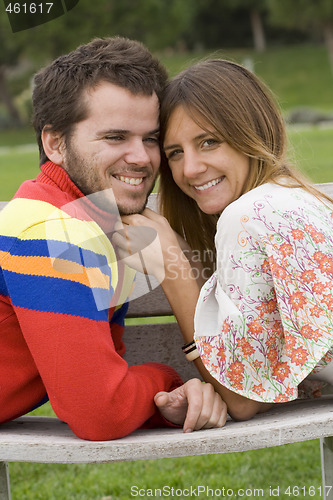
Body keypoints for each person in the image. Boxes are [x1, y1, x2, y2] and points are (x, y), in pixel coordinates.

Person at [0, 38, 227, 441]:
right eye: (115, 137)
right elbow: (100, 412)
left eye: (151, 138)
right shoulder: (48, 229)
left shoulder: (98, 222)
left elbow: (108, 381)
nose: (141, 158)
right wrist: (166, 379)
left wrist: (164, 402)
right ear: (54, 143)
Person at [114, 58, 333, 421]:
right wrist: (184, 256)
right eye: (175, 153)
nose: (190, 169)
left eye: (209, 141)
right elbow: (263, 379)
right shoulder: (290, 197)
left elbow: (242, 401)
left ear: (253, 133)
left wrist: (170, 266)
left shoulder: (245, 216)